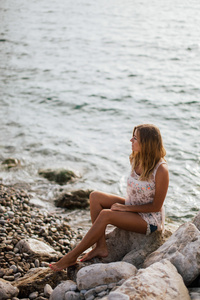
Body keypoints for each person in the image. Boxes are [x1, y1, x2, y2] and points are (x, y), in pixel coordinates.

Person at [49, 124, 169, 271]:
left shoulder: (161, 169)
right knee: (95, 197)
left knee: (106, 215)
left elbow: (156, 206)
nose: (131, 140)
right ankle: (100, 246)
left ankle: (71, 257)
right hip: (133, 207)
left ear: (146, 142)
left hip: (149, 219)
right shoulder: (136, 158)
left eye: (135, 138)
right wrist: (126, 208)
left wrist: (125, 208)